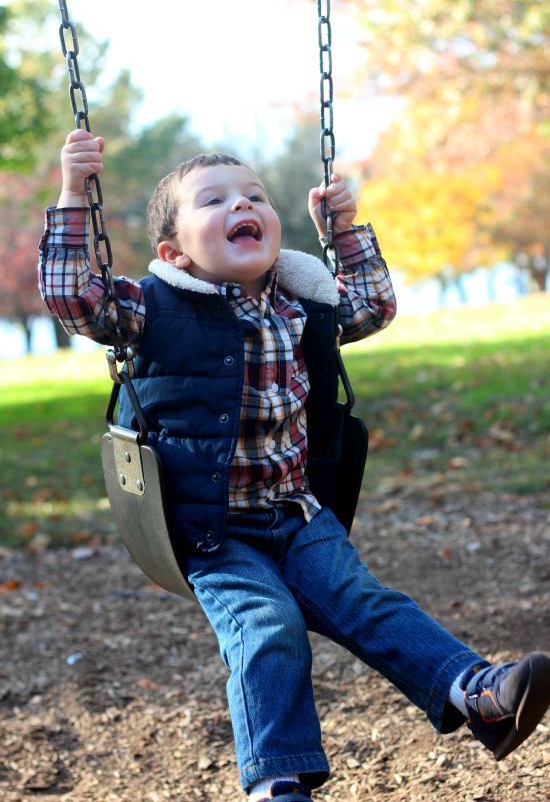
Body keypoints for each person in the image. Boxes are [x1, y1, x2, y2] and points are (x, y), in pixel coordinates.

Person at [39, 129, 550, 802]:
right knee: (266, 623)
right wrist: (75, 191)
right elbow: (74, 297)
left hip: (299, 514)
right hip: (212, 532)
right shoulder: (154, 306)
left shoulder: (299, 303)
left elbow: (374, 305)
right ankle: (277, 783)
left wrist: (342, 229)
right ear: (176, 254)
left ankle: (476, 693)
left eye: (254, 195)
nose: (241, 204)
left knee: (369, 603)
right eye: (213, 199)